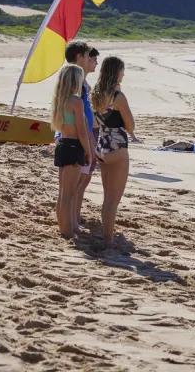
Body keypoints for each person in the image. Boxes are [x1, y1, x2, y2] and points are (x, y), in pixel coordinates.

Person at [91, 56, 135, 250]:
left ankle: (106, 236)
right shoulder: (118, 97)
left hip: (102, 145)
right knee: (113, 199)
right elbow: (130, 125)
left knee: (107, 197)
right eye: (122, 70)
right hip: (117, 148)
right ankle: (108, 241)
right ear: (116, 72)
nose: (124, 74)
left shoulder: (95, 94)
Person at [50, 64, 93, 239]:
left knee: (63, 193)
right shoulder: (76, 101)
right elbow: (82, 131)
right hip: (74, 146)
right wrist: (89, 152)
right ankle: (67, 231)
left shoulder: (59, 100)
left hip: (63, 144)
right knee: (69, 194)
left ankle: (64, 228)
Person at [63, 41, 100, 228]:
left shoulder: (81, 82)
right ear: (79, 58)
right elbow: (77, 113)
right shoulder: (74, 82)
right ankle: (71, 221)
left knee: (83, 179)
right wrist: (88, 140)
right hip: (78, 136)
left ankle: (75, 217)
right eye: (88, 56)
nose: (91, 60)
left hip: (84, 133)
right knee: (75, 183)